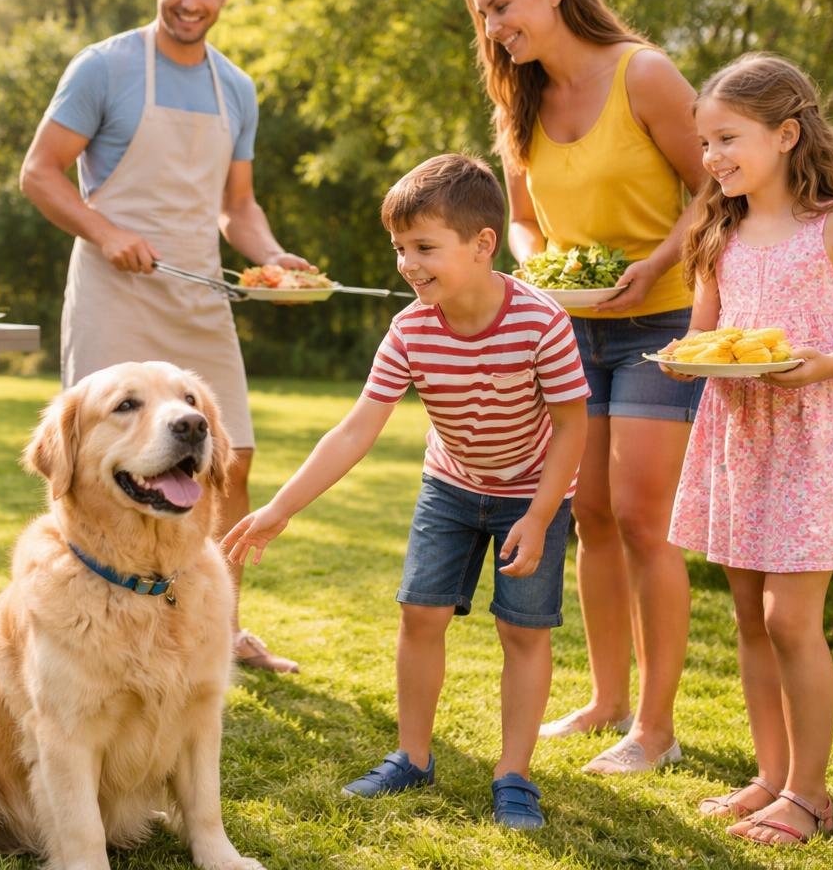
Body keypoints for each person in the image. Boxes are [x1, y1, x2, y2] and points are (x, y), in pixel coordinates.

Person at [223, 154, 589, 830]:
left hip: (534, 493)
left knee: (522, 630)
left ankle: (513, 775)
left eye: (424, 247)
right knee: (420, 615)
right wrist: (279, 507)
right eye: (400, 248)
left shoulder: (541, 321)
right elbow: (357, 426)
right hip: (449, 485)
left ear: (483, 246)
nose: (408, 263)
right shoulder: (412, 329)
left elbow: (572, 426)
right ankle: (412, 757)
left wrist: (540, 517)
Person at [20, 0, 306, 673]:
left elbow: (236, 207)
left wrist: (273, 258)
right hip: (116, 290)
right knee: (96, 463)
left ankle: (218, 629)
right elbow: (41, 173)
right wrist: (104, 230)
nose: (191, 1)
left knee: (231, 459)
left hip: (199, 294)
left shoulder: (235, 86)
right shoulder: (104, 68)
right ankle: (92, 625)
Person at [461, 0, 708, 772]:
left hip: (662, 321)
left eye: (503, 6)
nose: (494, 27)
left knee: (643, 518)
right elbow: (524, 221)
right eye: (484, 15)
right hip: (570, 327)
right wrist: (542, 271)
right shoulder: (520, 100)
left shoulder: (643, 74)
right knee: (591, 514)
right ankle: (606, 701)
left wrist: (651, 268)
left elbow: (716, 189)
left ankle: (657, 729)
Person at [666, 53, 833, 845]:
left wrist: (821, 365)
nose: (713, 158)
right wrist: (683, 355)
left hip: (814, 436)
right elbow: (705, 334)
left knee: (790, 620)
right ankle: (770, 776)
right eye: (705, 143)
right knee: (748, 616)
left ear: (786, 134)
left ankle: (809, 794)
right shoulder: (718, 229)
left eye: (727, 138)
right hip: (740, 434)